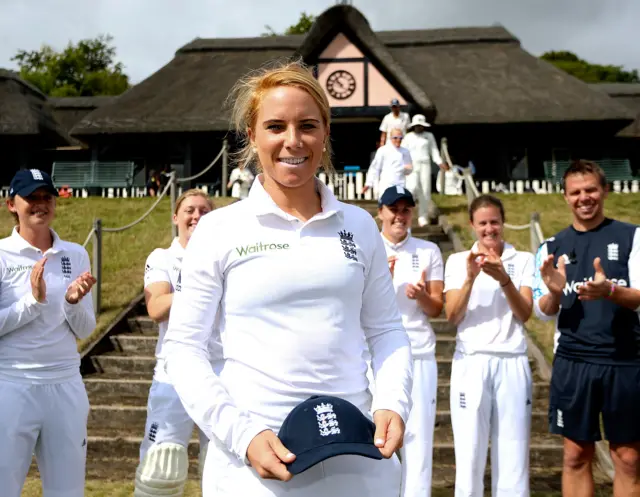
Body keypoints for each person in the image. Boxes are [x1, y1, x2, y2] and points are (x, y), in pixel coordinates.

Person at [161, 60, 413, 497]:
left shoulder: (358, 224)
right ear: (252, 136)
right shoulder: (219, 230)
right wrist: (242, 435)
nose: (293, 141)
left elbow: (387, 329)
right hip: (256, 458)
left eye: (308, 126)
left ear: (326, 133)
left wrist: (392, 402)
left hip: (357, 448)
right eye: (275, 126)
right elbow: (183, 349)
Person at [533, 159, 640, 497]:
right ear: (565, 197)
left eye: (591, 189)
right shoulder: (551, 248)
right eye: (575, 192)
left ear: (604, 190)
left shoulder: (632, 236)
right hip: (573, 363)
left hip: (625, 360)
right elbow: (544, 313)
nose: (584, 197)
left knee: (627, 457)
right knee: (576, 455)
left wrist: (609, 290)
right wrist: (553, 290)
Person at [0, 168, 97, 497]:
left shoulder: (75, 254)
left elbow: (85, 328)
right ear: (11, 204)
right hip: (12, 385)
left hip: (66, 384)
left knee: (68, 491)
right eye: (31, 198)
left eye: (46, 197)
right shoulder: (1, 255)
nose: (40, 204)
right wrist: (33, 302)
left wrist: (71, 302)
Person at [444, 194, 534, 497]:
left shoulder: (522, 260)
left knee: (513, 453)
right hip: (471, 361)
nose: (489, 229)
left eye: (494, 222)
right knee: (469, 454)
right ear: (472, 225)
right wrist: (470, 278)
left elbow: (524, 313)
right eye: (482, 223)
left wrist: (504, 279)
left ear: (503, 222)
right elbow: (452, 316)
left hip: (512, 360)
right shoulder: (458, 261)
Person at [134, 189, 216, 497]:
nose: (197, 216)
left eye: (205, 211)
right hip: (174, 377)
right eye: (190, 210)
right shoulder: (163, 258)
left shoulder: (223, 257)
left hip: (220, 374)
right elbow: (156, 307)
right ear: (176, 217)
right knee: (161, 471)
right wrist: (203, 288)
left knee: (222, 469)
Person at [377, 185, 444, 497]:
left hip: (418, 352)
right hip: (375, 356)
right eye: (394, 209)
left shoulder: (428, 251)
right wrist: (382, 284)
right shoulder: (369, 246)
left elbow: (437, 308)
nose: (399, 216)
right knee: (374, 433)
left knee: (417, 436)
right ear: (381, 212)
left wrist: (422, 296)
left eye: (405, 210)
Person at [401, 115, 444, 227]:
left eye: (421, 126)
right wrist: (403, 165)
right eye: (417, 126)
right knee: (412, 188)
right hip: (412, 165)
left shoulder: (428, 136)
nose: (419, 127)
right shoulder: (408, 137)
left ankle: (423, 217)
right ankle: (407, 212)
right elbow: (403, 152)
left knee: (425, 191)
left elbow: (433, 150)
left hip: (425, 164)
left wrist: (439, 161)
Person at [362, 128, 413, 199]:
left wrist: (406, 169)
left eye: (400, 138)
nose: (398, 140)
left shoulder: (405, 151)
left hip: (400, 185)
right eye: (395, 138)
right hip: (386, 185)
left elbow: (409, 170)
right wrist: (368, 183)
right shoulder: (383, 150)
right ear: (390, 138)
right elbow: (375, 168)